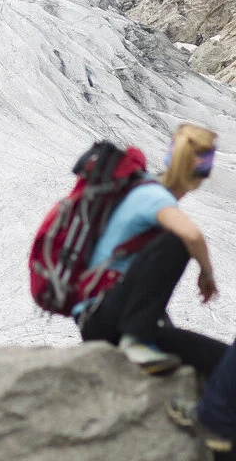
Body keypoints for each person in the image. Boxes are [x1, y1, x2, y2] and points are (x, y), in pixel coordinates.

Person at [76, 123, 226, 376]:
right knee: (177, 241)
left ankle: (204, 409)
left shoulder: (142, 188)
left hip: (116, 314)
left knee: (225, 361)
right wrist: (207, 273)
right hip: (104, 316)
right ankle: (136, 340)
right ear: (202, 175)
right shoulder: (153, 197)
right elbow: (191, 235)